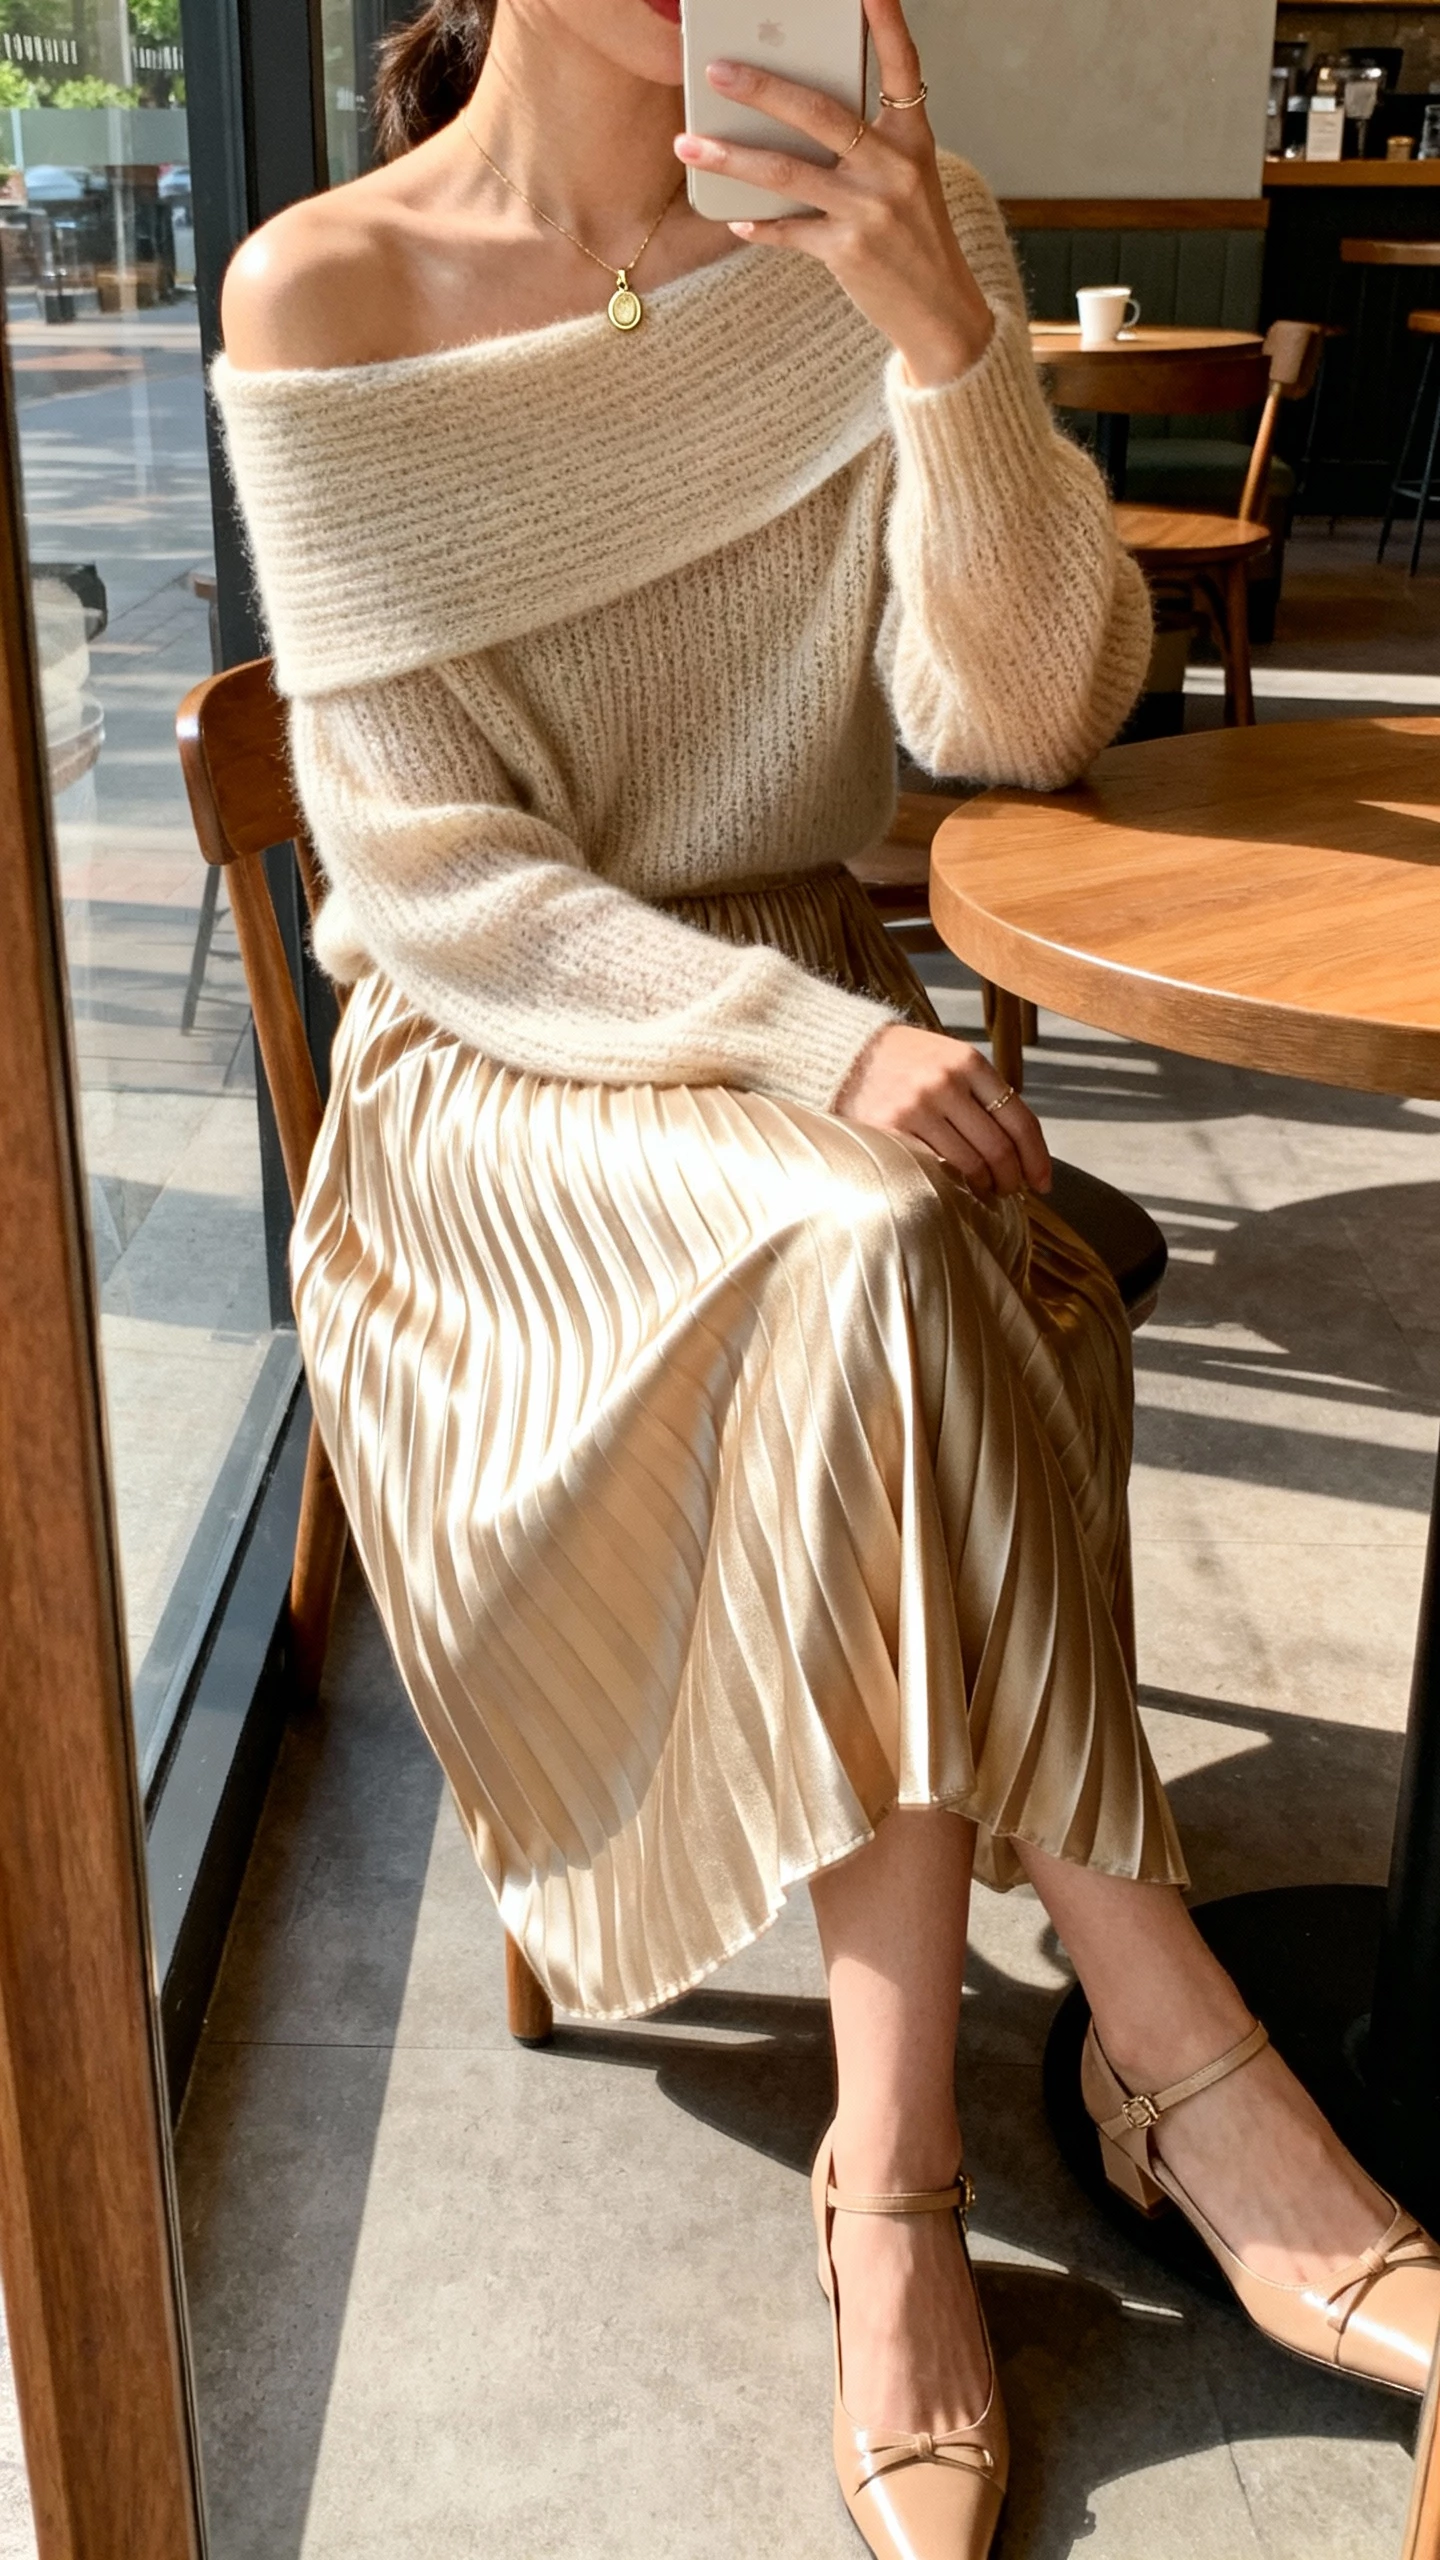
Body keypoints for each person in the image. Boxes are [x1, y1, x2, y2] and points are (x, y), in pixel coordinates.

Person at [212, 3, 1440, 2552]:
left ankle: (895, 2181)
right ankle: (1175, 2056)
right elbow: (430, 887)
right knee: (891, 1245)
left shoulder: (908, 222)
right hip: (511, 1074)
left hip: (817, 1062)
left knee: (880, 1262)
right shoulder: (318, 294)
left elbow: (1012, 717)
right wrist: (794, 1039)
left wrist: (942, 339)